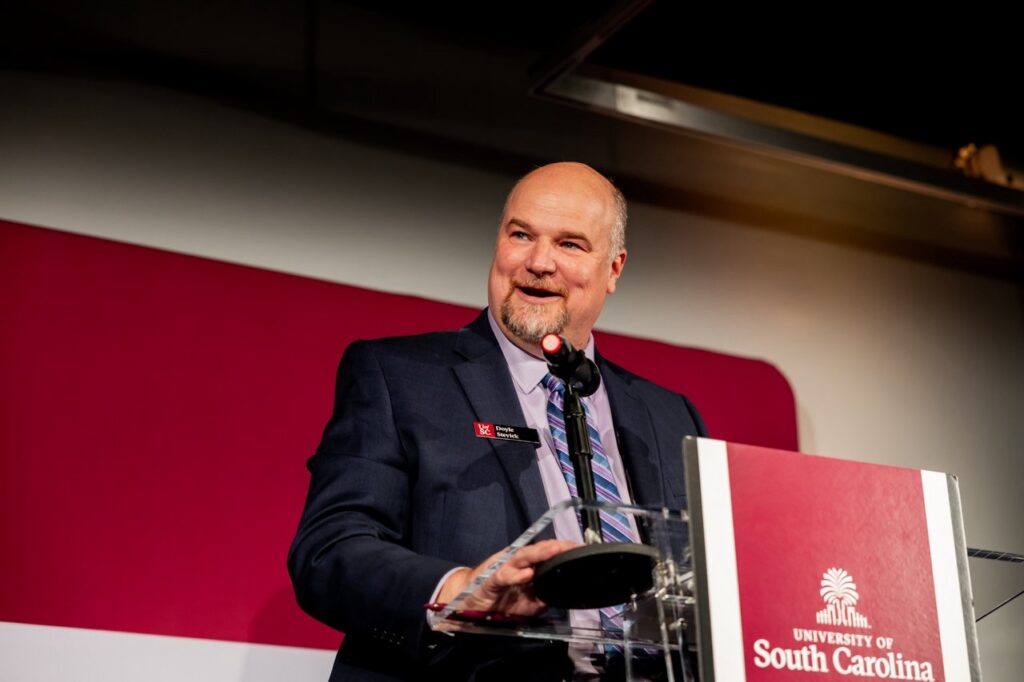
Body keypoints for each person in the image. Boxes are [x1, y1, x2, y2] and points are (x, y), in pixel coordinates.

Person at [288, 162, 706, 681]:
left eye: (570, 244)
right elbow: (329, 550)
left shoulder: (671, 415)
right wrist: (458, 590)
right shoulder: (399, 377)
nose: (538, 262)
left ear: (614, 269)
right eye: (521, 235)